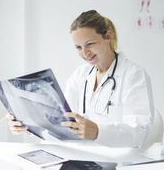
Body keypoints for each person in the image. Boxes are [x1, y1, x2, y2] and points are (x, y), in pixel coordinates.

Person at [8, 10, 154, 148]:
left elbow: (141, 132)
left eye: (90, 44)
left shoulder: (133, 75)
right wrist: (28, 124)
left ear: (108, 36)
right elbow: (62, 121)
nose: (85, 53)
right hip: (82, 153)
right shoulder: (80, 75)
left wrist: (98, 132)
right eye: (78, 47)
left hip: (118, 158)